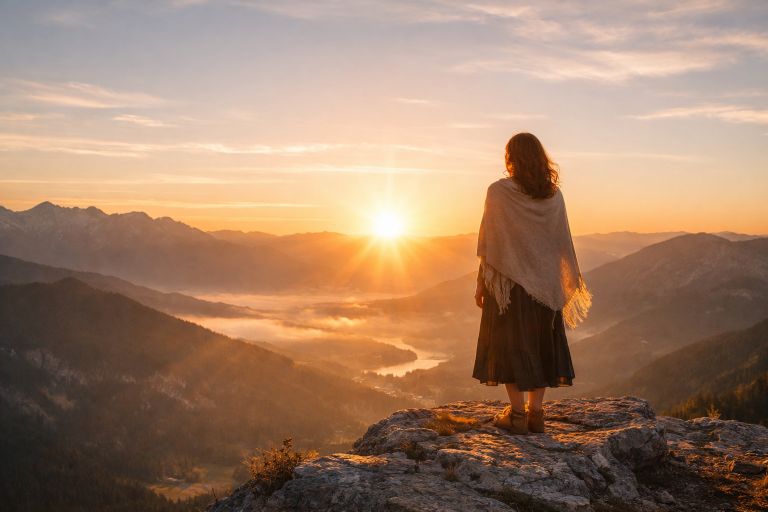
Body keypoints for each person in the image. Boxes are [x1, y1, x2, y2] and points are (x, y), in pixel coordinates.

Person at [473, 132, 591, 435]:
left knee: (510, 346)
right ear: (540, 158)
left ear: (511, 158)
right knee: (540, 346)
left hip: (509, 288)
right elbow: (559, 244)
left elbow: (490, 244)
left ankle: (516, 416)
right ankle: (536, 414)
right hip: (545, 286)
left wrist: (481, 284)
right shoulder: (553, 195)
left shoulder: (498, 192)